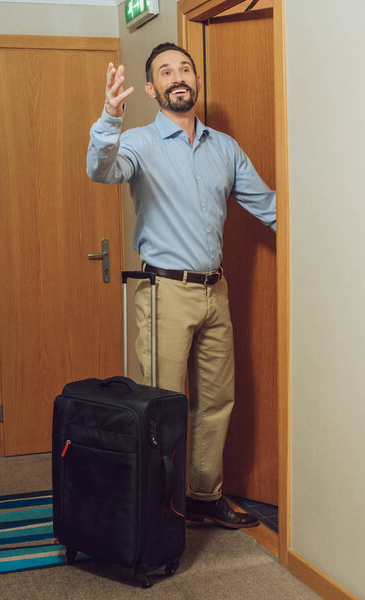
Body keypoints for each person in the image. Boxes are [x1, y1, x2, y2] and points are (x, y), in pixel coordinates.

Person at [87, 42, 276, 529]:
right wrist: (109, 117)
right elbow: (101, 170)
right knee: (162, 406)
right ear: (151, 88)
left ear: (197, 80)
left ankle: (202, 497)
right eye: (165, 72)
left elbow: (271, 207)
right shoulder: (137, 143)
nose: (178, 77)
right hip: (163, 292)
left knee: (216, 401)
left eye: (185, 69)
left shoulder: (225, 148)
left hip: (216, 292)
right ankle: (158, 508)